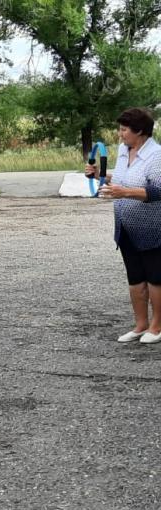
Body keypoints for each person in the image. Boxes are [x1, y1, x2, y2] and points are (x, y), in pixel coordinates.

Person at [86, 108, 161, 343]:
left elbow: (158, 191)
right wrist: (99, 174)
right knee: (135, 277)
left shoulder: (157, 155)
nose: (120, 134)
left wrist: (124, 192)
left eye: (124, 129)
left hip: (152, 227)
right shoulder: (122, 150)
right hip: (125, 225)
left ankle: (157, 327)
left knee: (155, 278)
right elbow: (120, 178)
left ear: (139, 131)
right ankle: (140, 325)